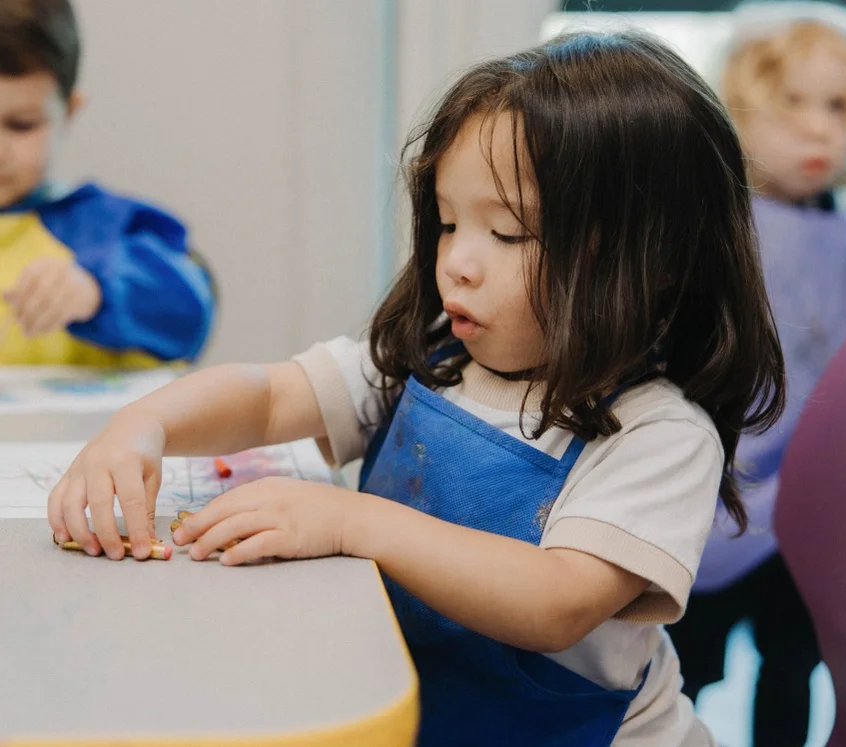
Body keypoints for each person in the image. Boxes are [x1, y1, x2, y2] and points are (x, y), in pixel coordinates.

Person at [47, 31, 785, 747]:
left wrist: (349, 519)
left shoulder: (658, 434)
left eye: (510, 234)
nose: (458, 261)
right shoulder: (435, 359)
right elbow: (271, 396)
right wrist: (143, 426)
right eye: (450, 221)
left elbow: (556, 599)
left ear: (652, 262)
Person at [668, 17, 846, 747]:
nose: (818, 130)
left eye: (838, 107)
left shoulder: (845, 237)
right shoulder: (719, 230)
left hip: (813, 506)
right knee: (686, 667)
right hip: (719, 495)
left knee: (795, 662)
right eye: (792, 103)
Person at [0, 0, 215, 366]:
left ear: (68, 112)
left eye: (21, 125)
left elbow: (189, 310)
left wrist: (97, 289)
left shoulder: (105, 227)